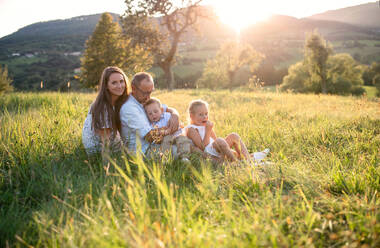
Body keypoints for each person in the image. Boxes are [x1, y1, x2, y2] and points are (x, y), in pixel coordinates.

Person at [120, 72, 191, 159]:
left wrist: (175, 115)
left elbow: (165, 109)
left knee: (187, 139)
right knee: (184, 147)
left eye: (150, 92)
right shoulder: (129, 108)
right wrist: (170, 130)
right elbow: (150, 137)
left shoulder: (143, 100)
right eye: (145, 93)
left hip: (156, 144)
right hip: (144, 151)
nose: (148, 97)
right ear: (133, 88)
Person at [185, 99, 269, 163]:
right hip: (208, 152)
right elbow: (203, 147)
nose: (204, 117)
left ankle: (248, 159)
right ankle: (237, 163)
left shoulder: (206, 125)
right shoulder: (191, 129)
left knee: (233, 135)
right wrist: (208, 131)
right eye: (200, 114)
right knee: (220, 140)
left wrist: (210, 130)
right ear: (191, 116)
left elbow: (215, 140)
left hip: (215, 148)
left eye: (206, 114)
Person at [82, 66, 128, 155]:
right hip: (97, 149)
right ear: (106, 86)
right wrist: (106, 167)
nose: (119, 86)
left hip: (114, 140)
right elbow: (105, 142)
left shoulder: (119, 101)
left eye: (121, 81)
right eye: (114, 83)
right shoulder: (102, 106)